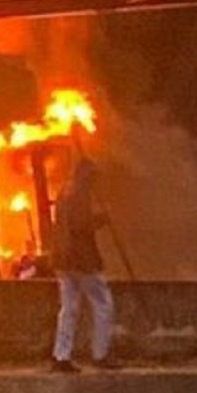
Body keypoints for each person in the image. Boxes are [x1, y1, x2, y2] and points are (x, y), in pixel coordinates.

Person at [50, 159, 116, 373]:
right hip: (82, 259)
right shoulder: (79, 194)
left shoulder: (64, 192)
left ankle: (61, 356)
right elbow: (80, 226)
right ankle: (100, 354)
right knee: (103, 303)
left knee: (69, 308)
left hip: (63, 259)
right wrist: (101, 219)